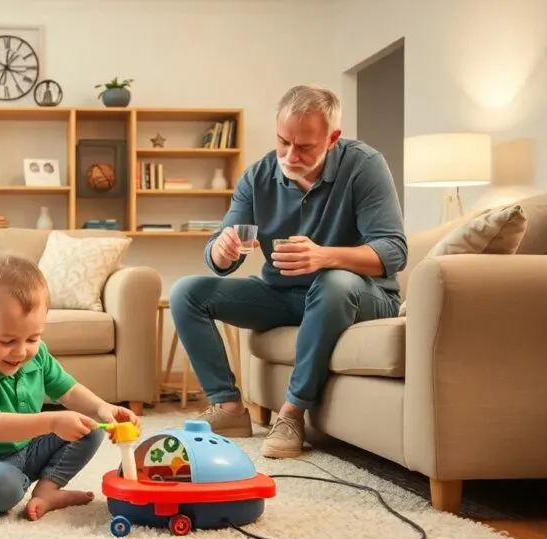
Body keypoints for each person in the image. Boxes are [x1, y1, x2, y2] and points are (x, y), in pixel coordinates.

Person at [169, 85, 407, 459]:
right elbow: (220, 252)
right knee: (187, 292)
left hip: (358, 294)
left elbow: (394, 250)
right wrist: (222, 249)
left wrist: (325, 256)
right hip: (282, 295)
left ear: (332, 138)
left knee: (332, 282)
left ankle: (292, 413)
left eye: (305, 147)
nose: (290, 155)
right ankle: (228, 408)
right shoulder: (258, 176)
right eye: (283, 142)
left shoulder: (364, 165)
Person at [0, 255, 140, 520]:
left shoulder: (35, 355)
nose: (20, 351)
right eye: (7, 340)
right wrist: (52, 422)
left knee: (88, 428)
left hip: (22, 451)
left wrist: (103, 407)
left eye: (33, 338)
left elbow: (69, 391)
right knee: (3, 489)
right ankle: (12, 482)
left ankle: (48, 491)